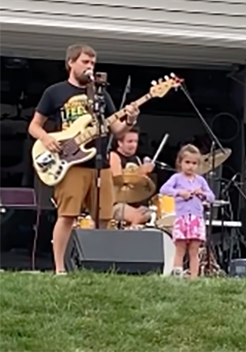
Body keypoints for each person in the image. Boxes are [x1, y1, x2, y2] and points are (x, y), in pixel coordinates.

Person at [28, 44, 139, 275]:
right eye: (85, 62)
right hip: (70, 164)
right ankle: (59, 268)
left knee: (104, 217)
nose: (90, 67)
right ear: (70, 63)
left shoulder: (100, 94)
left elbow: (116, 129)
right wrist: (47, 139)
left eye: (92, 63)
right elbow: (34, 126)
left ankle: (99, 268)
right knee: (67, 215)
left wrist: (130, 120)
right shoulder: (55, 92)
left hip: (100, 163)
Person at [159, 144, 215, 278]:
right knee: (180, 248)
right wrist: (179, 193)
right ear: (180, 163)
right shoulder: (177, 178)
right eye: (187, 162)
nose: (190, 166)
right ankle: (177, 274)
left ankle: (194, 277)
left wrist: (202, 193)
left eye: (194, 163)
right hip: (182, 218)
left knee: (194, 250)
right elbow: (164, 189)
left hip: (196, 219)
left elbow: (211, 197)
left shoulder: (200, 180)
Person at [109, 126, 154, 226]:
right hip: (117, 204)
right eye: (130, 141)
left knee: (151, 215)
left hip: (136, 203)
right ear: (120, 143)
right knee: (137, 216)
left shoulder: (137, 159)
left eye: (135, 142)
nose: (133, 145)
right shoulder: (114, 156)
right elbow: (118, 180)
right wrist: (139, 172)